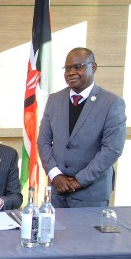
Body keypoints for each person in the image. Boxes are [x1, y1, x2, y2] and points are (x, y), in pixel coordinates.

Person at [38, 47, 127, 208]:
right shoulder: (54, 100)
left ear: (93, 67)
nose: (71, 72)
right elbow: (43, 141)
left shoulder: (112, 103)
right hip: (57, 191)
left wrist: (79, 180)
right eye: (67, 68)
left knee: (87, 234)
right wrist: (55, 175)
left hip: (91, 193)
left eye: (77, 67)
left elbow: (112, 149)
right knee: (54, 233)